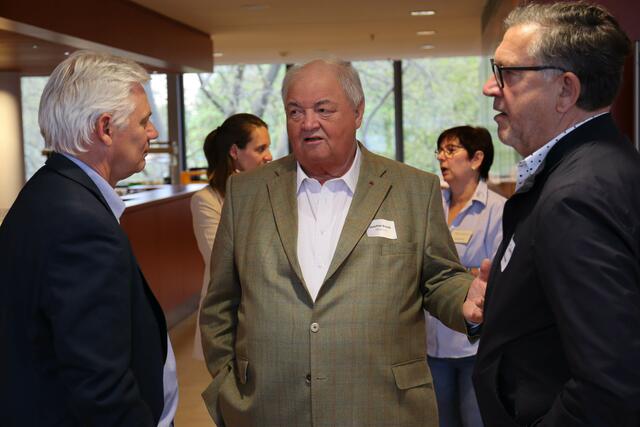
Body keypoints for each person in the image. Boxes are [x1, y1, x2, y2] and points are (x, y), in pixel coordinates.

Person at [199, 58, 488, 427]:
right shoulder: (246, 192)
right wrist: (228, 391)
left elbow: (439, 277)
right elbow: (219, 304)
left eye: (323, 109)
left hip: (383, 408)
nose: (308, 123)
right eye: (295, 111)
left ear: (358, 112)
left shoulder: (413, 189)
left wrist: (465, 298)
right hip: (269, 408)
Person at [473, 2, 640, 426]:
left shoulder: (575, 198)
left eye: (507, 73)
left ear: (566, 90)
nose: (491, 88)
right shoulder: (601, 163)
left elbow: (608, 386)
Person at [0, 50, 178, 426]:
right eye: (144, 121)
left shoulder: (49, 192)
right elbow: (101, 387)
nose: (153, 133)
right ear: (105, 128)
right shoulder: (79, 223)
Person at [427, 126, 505, 427]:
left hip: (475, 346)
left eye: (450, 150)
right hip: (432, 342)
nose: (441, 158)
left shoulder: (497, 209)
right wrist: (466, 271)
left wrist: (458, 275)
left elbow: (498, 271)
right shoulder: (432, 205)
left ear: (476, 159)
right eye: (439, 151)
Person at [191, 113, 272, 359]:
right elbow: (222, 258)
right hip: (229, 310)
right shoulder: (206, 201)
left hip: (266, 308)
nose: (269, 156)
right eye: (260, 149)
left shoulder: (270, 191)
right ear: (235, 151)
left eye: (268, 147)